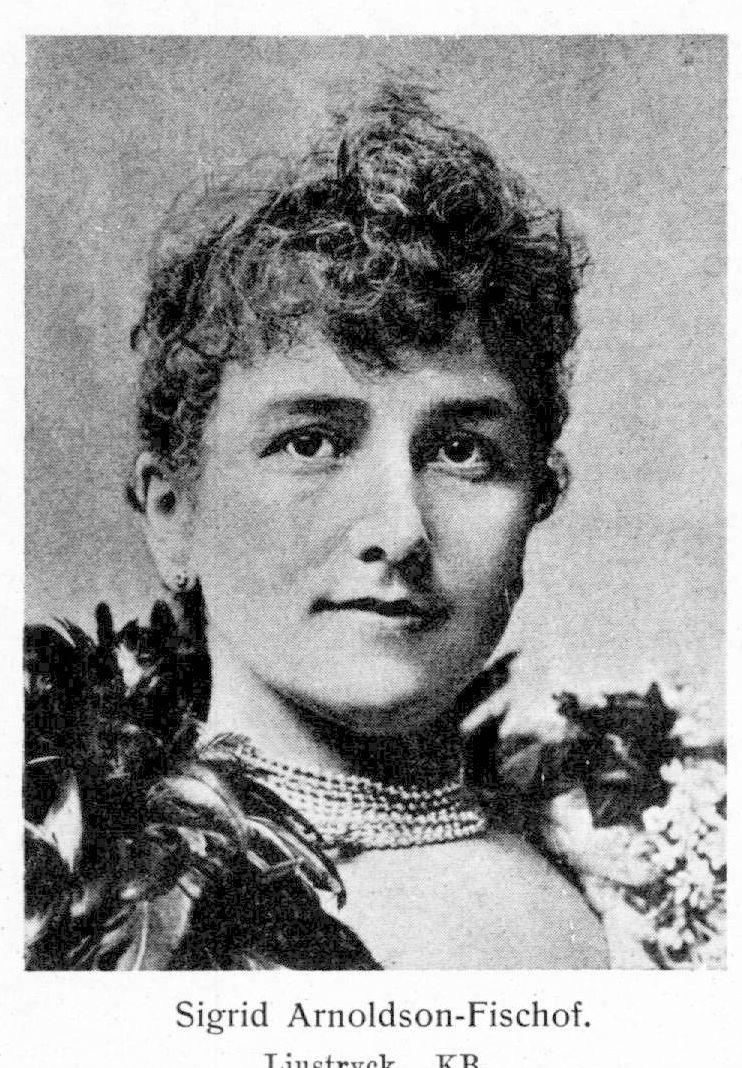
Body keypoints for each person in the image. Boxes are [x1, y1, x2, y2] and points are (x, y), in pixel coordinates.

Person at [25, 83, 611, 970]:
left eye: (462, 452)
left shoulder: (633, 881)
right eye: (311, 442)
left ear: (534, 501)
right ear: (173, 514)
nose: (399, 532)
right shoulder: (61, 899)